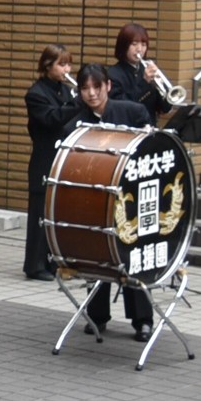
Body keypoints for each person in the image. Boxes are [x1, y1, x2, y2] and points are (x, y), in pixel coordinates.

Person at [73, 64, 154, 341]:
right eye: (85, 89)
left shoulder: (132, 112)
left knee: (132, 254)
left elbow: (148, 152)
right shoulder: (76, 117)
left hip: (128, 196)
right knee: (97, 251)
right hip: (95, 194)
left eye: (97, 87)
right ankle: (97, 315)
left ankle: (142, 320)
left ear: (108, 85)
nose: (92, 94)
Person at [23, 45, 76, 281]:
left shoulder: (65, 91)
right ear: (47, 66)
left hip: (62, 159)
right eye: (61, 64)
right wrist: (78, 104)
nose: (67, 69)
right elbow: (52, 119)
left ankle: (53, 261)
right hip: (44, 160)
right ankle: (34, 265)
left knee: (56, 213)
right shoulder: (36, 93)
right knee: (39, 214)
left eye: (68, 64)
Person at [110, 23, 171, 123]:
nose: (139, 49)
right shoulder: (113, 74)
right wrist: (145, 83)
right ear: (123, 45)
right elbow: (123, 107)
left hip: (149, 129)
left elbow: (164, 109)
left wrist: (166, 92)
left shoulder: (146, 70)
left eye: (143, 45)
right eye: (134, 44)